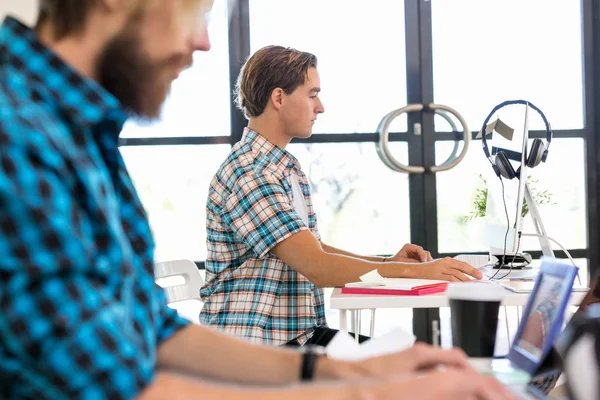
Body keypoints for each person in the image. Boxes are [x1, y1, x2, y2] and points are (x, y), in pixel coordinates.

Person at [0, 1, 513, 399]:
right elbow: (110, 387)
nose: (203, 42)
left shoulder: (79, 136)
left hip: (283, 340)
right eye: (193, 11)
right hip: (261, 335)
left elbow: (154, 331)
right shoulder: (19, 137)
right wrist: (362, 386)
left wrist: (342, 370)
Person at [201, 45, 483, 347]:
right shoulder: (252, 174)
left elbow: (313, 248)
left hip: (296, 337)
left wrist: (388, 261)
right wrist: (415, 271)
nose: (320, 107)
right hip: (257, 350)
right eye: (312, 95)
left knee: (413, 357)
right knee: (411, 365)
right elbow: (317, 266)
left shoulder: (282, 167)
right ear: (279, 98)